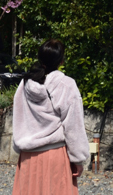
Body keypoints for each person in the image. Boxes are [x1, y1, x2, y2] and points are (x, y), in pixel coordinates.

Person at [11, 39, 89, 195]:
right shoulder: (66, 84)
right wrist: (78, 158)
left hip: (28, 158)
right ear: (61, 61)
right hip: (55, 156)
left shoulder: (25, 84)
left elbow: (19, 116)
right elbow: (73, 126)